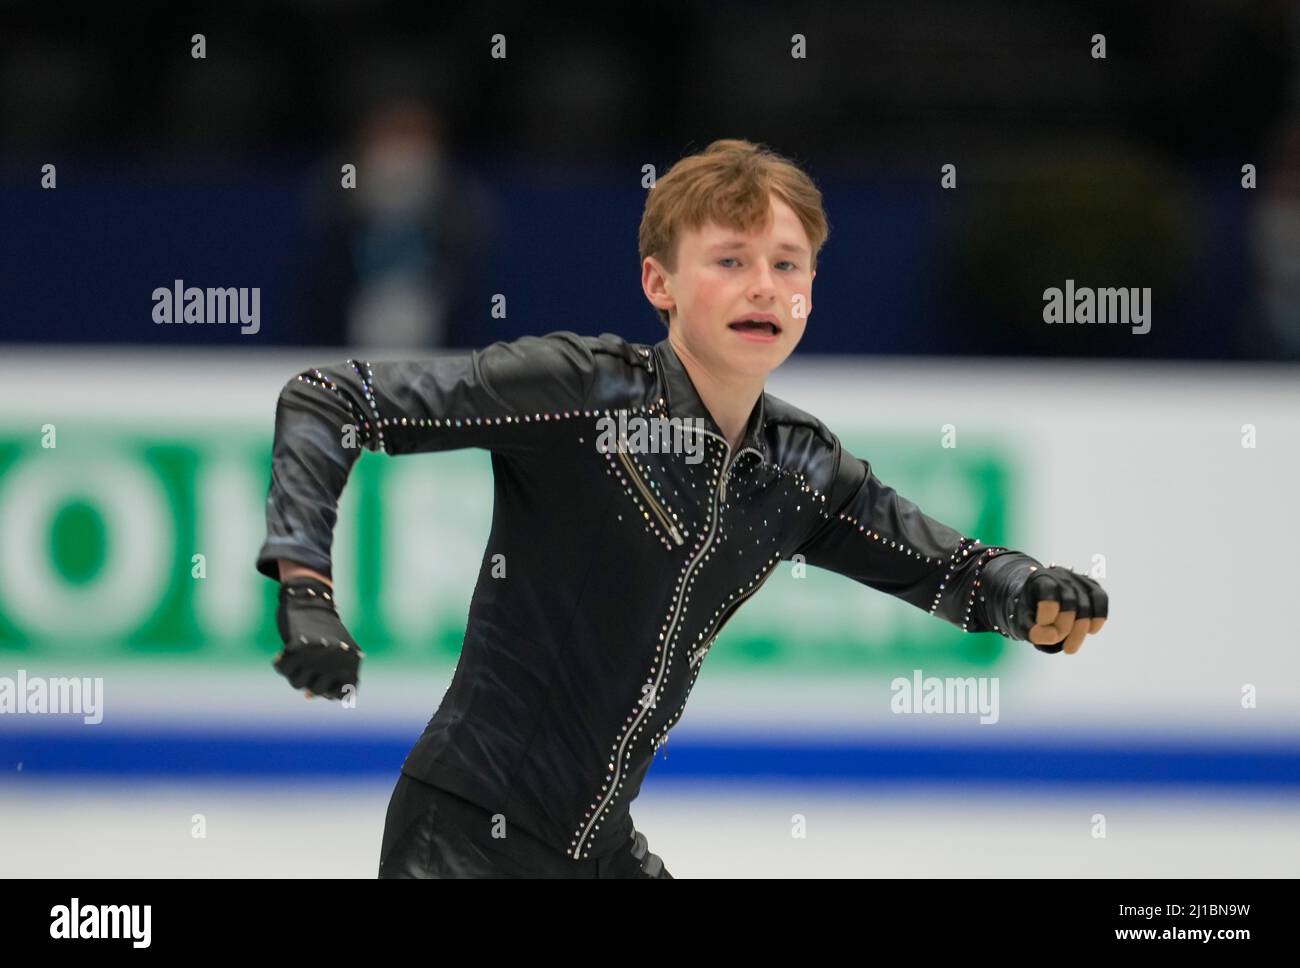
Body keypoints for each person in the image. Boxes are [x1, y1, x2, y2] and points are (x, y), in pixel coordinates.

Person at [256, 139, 1109, 878]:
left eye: (787, 264)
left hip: (599, 853)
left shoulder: (800, 465)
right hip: (464, 842)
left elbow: (951, 569)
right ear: (658, 282)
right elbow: (330, 397)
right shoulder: (582, 390)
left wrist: (1030, 592)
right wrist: (305, 587)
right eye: (730, 261)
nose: (764, 288)